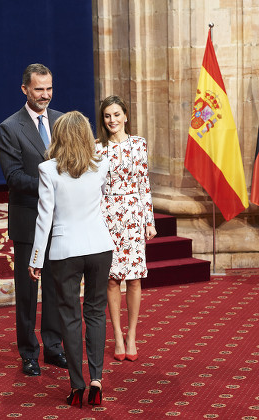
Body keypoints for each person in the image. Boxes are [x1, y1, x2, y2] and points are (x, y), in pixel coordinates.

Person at [28, 111, 114, 407]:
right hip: (100, 246)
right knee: (96, 312)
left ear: (59, 135)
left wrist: (36, 258)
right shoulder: (101, 164)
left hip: (65, 251)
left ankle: (77, 386)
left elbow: (44, 218)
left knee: (70, 315)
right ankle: (97, 380)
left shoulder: (48, 169)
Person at [0, 63, 67, 376]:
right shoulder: (10, 127)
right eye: (39, 89)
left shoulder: (62, 121)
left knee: (56, 289)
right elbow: (14, 177)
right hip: (28, 221)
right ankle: (28, 353)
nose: (45, 95)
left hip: (61, 221)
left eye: (49, 88)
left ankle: (53, 349)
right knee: (28, 292)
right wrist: (53, 185)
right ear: (25, 89)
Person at [96, 95, 157, 362]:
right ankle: (117, 336)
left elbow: (144, 184)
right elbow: (95, 189)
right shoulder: (98, 148)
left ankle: (132, 335)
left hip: (134, 215)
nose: (112, 120)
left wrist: (150, 220)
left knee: (134, 278)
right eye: (108, 116)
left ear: (126, 116)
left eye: (117, 114)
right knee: (112, 279)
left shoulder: (139, 145)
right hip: (108, 216)